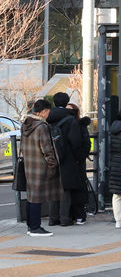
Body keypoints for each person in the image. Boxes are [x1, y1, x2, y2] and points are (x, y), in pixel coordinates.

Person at [22, 100, 63, 236]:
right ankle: (35, 228)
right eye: (48, 112)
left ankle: (30, 226)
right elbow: (47, 149)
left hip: (29, 165)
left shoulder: (26, 124)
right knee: (37, 198)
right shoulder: (42, 126)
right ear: (44, 111)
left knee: (31, 195)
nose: (48, 115)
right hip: (40, 166)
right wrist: (52, 164)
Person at [48, 92, 89, 226]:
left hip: (50, 157)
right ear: (66, 103)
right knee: (66, 189)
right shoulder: (70, 119)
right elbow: (75, 141)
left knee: (53, 188)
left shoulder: (47, 118)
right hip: (67, 158)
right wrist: (78, 158)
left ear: (54, 103)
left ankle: (53, 219)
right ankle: (64, 218)